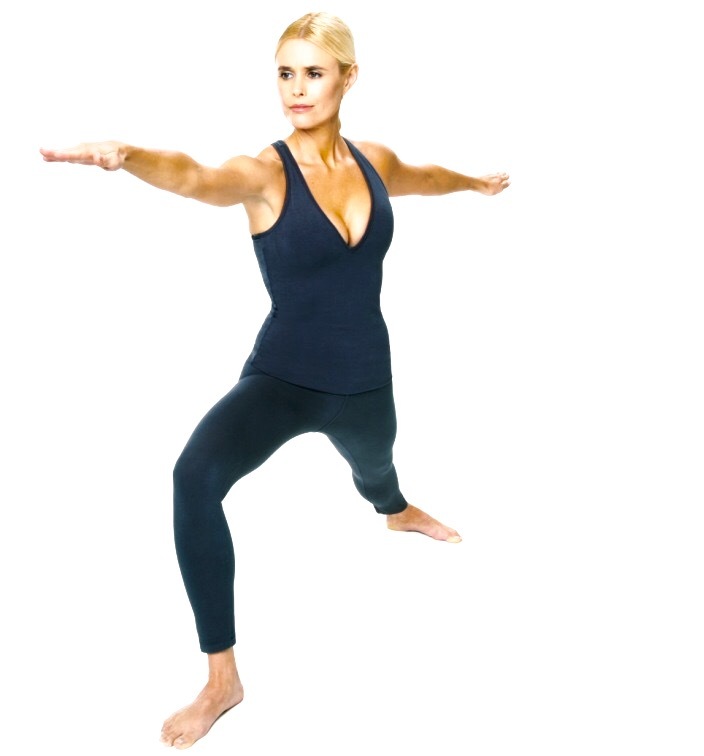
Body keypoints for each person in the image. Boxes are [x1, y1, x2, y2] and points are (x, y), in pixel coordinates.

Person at [41, 11, 509, 750]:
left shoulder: (375, 162)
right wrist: (128, 156)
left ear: (348, 77)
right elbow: (197, 176)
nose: (296, 88)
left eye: (313, 73)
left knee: (377, 472)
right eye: (285, 73)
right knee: (193, 478)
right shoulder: (265, 173)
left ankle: (395, 512)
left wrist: (475, 183)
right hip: (283, 378)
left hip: (365, 378)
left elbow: (424, 179)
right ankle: (222, 678)